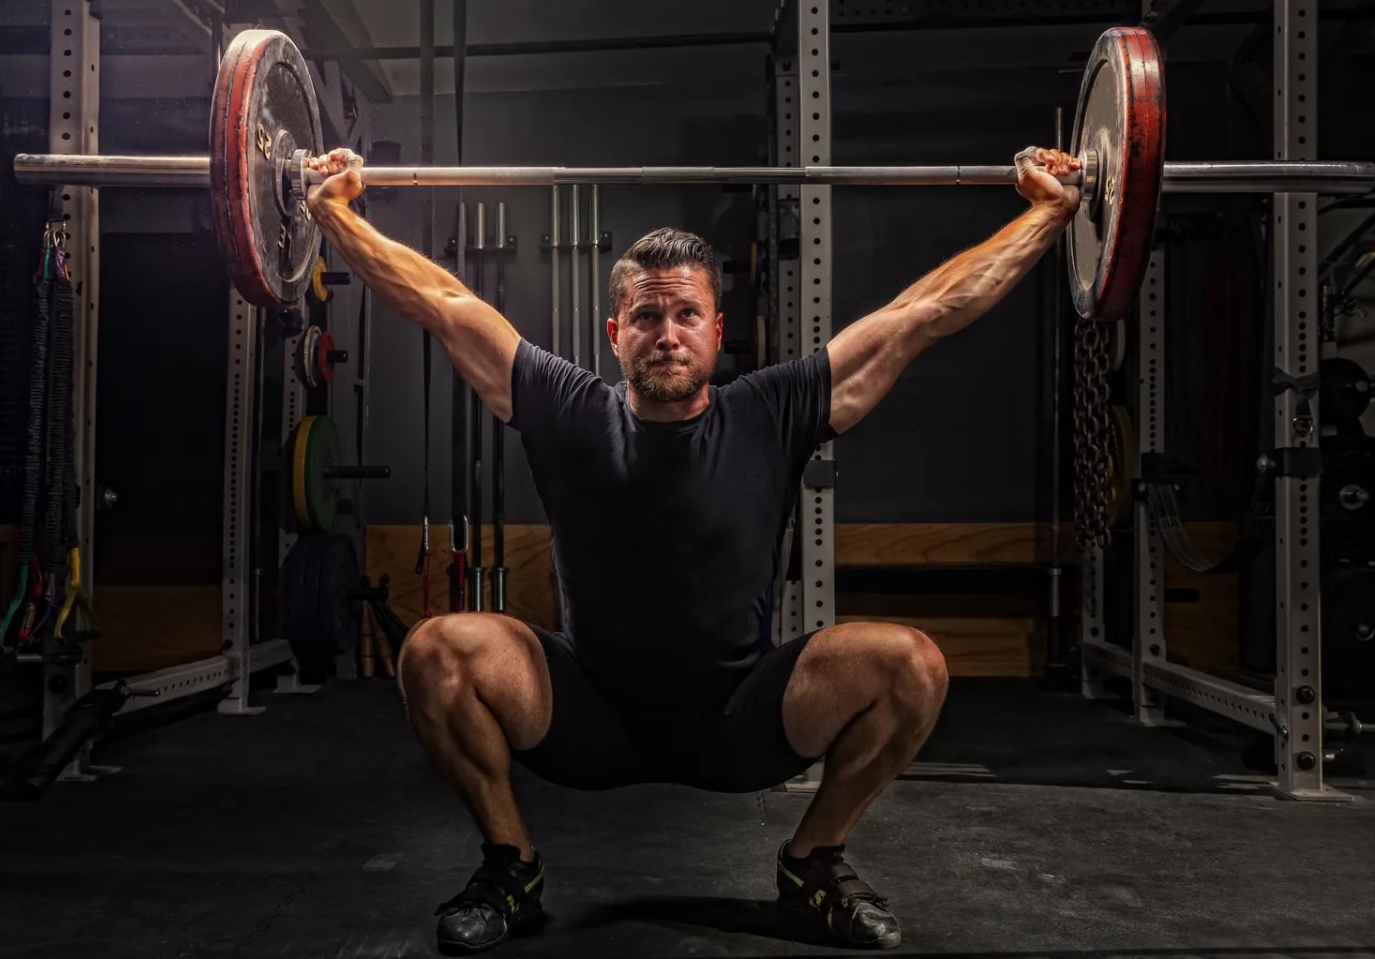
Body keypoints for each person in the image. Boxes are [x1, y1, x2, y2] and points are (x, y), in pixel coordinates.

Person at [304, 146, 1082, 954]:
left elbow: (925, 312)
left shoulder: (771, 409)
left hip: (740, 717)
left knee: (913, 665)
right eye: (645, 317)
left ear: (717, 330)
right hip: (589, 714)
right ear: (615, 333)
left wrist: (1047, 214)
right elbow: (442, 300)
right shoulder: (567, 410)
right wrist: (334, 214)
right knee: (436, 651)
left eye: (684, 317)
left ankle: (812, 864)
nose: (665, 335)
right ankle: (511, 867)